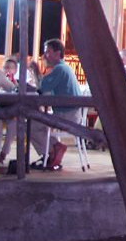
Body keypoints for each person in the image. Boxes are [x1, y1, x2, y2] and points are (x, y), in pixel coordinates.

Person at [28, 38, 82, 171]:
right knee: (35, 123)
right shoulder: (63, 68)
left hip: (67, 116)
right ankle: (52, 152)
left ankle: (53, 150)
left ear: (58, 53)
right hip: (70, 113)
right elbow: (45, 90)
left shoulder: (59, 69)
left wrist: (36, 71)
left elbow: (42, 88)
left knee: (30, 126)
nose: (44, 55)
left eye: (48, 52)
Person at [0, 57, 19, 166]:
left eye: (10, 68)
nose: (7, 70)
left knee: (13, 124)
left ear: (15, 70)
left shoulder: (18, 83)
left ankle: (3, 153)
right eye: (5, 67)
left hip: (11, 112)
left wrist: (15, 84)